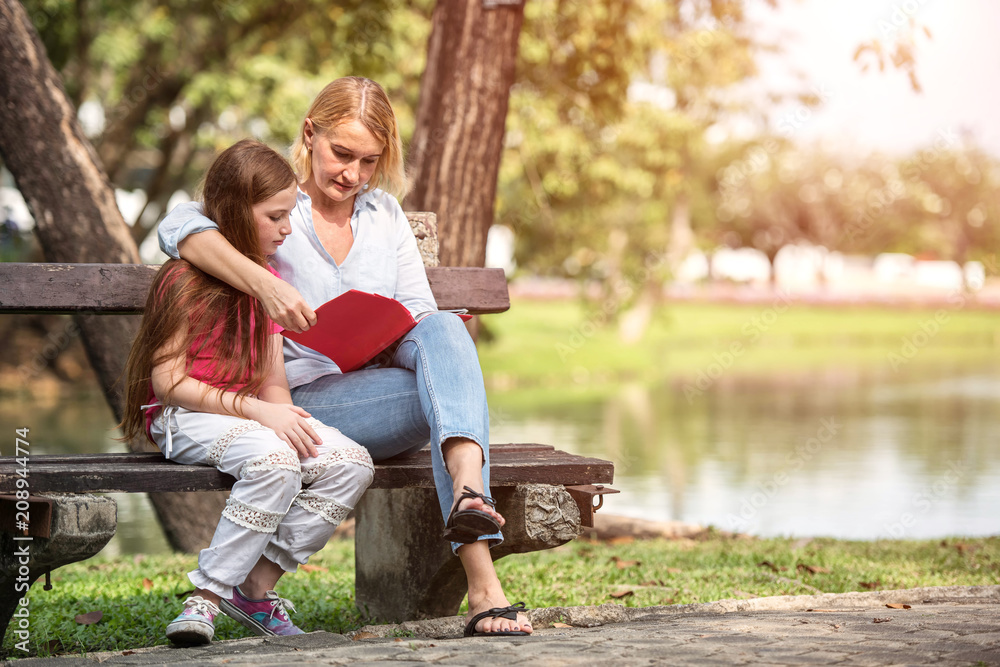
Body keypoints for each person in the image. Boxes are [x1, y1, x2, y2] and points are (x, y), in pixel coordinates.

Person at [157, 76, 532, 636]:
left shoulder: (385, 216)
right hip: (293, 402)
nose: (352, 174)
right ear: (310, 133)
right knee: (450, 399)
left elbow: (415, 314)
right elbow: (177, 226)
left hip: (374, 392)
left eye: (369, 161)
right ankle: (484, 588)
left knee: (446, 332)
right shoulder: (275, 203)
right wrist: (267, 285)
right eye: (341, 153)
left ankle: (471, 500)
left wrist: (386, 335)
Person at [120, 139, 375, 646]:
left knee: (350, 462)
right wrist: (262, 415)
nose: (287, 228)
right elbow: (169, 383)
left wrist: (289, 421)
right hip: (182, 413)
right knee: (274, 462)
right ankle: (207, 598)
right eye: (276, 216)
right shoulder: (184, 279)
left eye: (289, 215)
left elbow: (272, 378)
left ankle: (256, 589)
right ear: (237, 213)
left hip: (248, 416)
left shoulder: (270, 280)